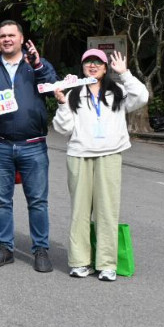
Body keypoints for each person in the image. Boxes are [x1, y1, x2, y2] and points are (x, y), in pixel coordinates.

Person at [54, 49, 147, 282]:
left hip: (110, 155)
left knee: (107, 211)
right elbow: (63, 128)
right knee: (80, 211)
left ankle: (106, 264)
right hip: (79, 156)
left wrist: (124, 73)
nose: (93, 66)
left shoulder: (118, 91)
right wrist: (62, 103)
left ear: (105, 68)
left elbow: (142, 97)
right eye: (88, 62)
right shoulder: (73, 93)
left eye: (98, 62)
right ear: (82, 67)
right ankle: (80, 262)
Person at [0, 20, 57, 272]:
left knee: (38, 201)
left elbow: (52, 87)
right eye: (3, 36)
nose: (7, 39)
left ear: (21, 38)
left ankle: (40, 249)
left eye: (11, 35)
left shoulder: (36, 64)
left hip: (33, 144)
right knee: (1, 200)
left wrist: (38, 65)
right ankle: (5, 248)